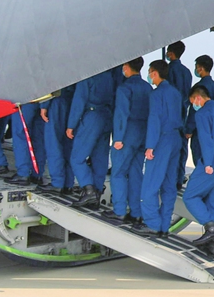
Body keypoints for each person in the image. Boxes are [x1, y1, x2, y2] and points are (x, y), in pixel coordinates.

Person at [183, 84, 214, 255]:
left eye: (192, 102)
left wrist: (208, 164)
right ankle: (212, 246)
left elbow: (206, 140)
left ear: (198, 98)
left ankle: (210, 227)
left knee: (190, 195)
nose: (193, 106)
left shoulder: (203, 113)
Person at [136, 59, 183, 237]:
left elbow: (154, 121)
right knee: (169, 185)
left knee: (150, 184)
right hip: (175, 139)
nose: (149, 76)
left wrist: (150, 146)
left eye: (150, 72)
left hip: (162, 139)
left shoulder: (156, 95)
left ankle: (152, 223)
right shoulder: (176, 93)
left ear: (155, 73)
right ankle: (164, 225)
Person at [68, 69, 116, 208]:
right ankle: (97, 193)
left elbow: (79, 101)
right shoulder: (109, 75)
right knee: (100, 159)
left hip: (91, 116)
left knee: (77, 158)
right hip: (106, 116)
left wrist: (71, 124)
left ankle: (89, 191)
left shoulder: (87, 74)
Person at [109, 58, 149, 221]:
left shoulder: (124, 88)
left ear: (126, 67)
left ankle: (119, 211)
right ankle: (136, 212)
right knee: (136, 174)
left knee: (118, 173)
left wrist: (118, 138)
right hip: (143, 134)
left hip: (127, 134)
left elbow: (121, 115)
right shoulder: (147, 87)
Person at [165, 41, 194, 189]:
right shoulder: (187, 72)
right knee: (182, 147)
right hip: (183, 112)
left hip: (170, 114)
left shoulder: (168, 70)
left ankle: (169, 177)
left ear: (170, 53)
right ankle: (179, 176)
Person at [184, 55, 214, 168]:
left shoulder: (199, 88)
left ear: (200, 68)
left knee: (199, 159)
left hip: (199, 129)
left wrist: (189, 129)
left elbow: (194, 111)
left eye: (196, 67)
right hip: (213, 129)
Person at [38, 84, 76, 192]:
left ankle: (57, 182)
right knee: (68, 144)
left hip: (57, 101)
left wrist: (44, 105)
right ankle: (69, 183)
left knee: (53, 144)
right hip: (72, 101)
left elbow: (50, 81)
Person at [8, 101, 48, 186]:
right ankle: (37, 173)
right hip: (44, 99)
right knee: (39, 138)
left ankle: (23, 173)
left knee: (21, 135)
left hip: (25, 99)